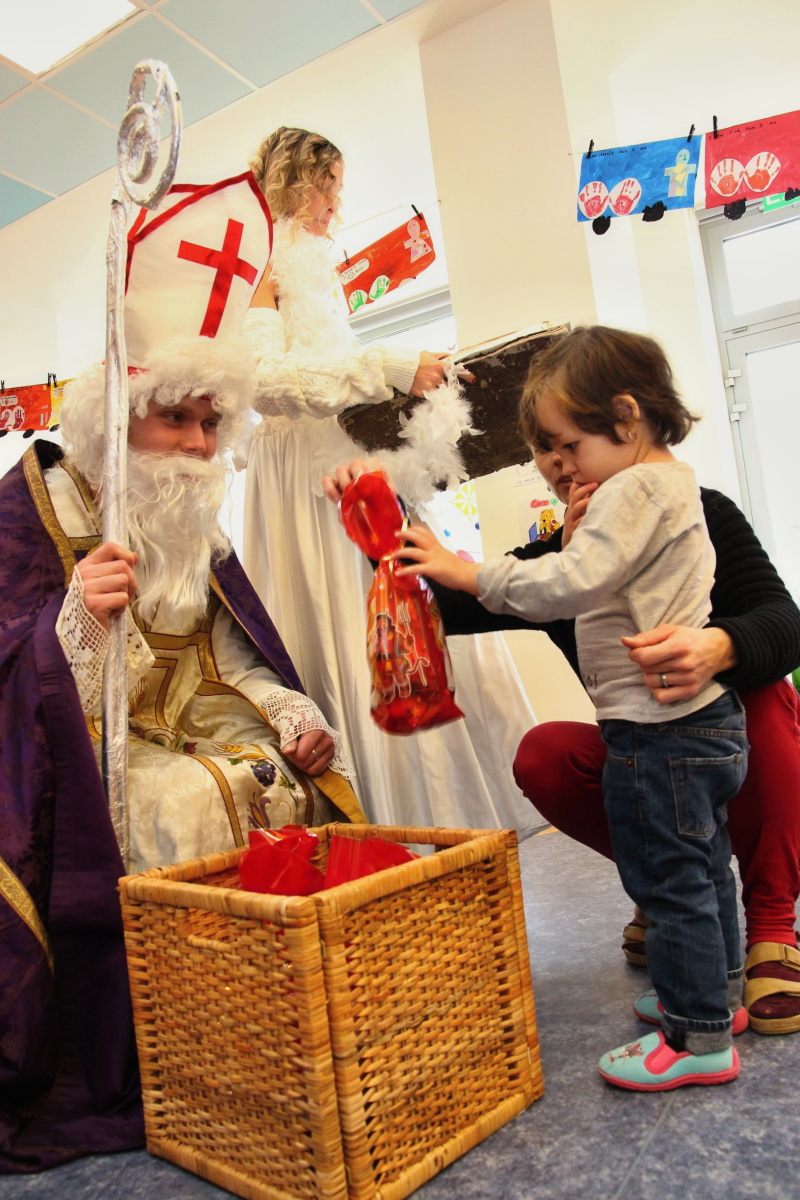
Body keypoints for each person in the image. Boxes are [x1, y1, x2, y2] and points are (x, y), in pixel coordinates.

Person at [0, 338, 364, 1172]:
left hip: (179, 733)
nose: (199, 445)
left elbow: (229, 658)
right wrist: (72, 622)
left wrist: (290, 714)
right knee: (188, 800)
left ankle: (282, 1021)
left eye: (210, 423)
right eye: (176, 419)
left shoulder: (189, 522)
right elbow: (15, 669)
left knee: (285, 776)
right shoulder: (28, 514)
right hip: (68, 755)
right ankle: (185, 1040)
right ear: (114, 423)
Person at [387, 326, 753, 1090]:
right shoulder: (672, 484)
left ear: (626, 415)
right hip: (701, 725)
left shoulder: (632, 489)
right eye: (545, 453)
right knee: (702, 867)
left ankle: (696, 1037)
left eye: (567, 445)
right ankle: (715, 998)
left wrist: (465, 569)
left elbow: (568, 583)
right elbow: (594, 573)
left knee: (668, 880)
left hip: (657, 730)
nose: (558, 466)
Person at [241, 125, 537, 833]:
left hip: (347, 457)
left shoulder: (315, 271)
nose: (335, 204)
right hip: (303, 473)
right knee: (343, 620)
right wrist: (392, 369)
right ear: (294, 181)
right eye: (328, 186)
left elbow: (328, 376)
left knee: (408, 605)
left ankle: (442, 807)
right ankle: (378, 814)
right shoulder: (261, 267)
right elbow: (266, 384)